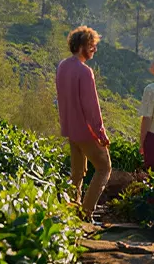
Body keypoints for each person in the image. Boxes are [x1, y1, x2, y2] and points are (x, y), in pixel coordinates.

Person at [55, 26, 111, 223]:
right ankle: (85, 213)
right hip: (86, 132)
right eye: (92, 46)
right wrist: (101, 133)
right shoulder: (85, 72)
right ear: (82, 46)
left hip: (70, 129)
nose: (94, 49)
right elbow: (91, 107)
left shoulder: (62, 66)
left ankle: (71, 210)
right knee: (104, 168)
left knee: (77, 173)